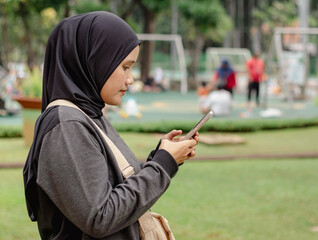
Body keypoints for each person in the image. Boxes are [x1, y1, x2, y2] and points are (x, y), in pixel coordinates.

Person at [23, 11, 199, 239]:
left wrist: (161, 157)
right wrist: (163, 164)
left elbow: (113, 186)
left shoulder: (88, 114)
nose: (131, 79)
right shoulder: (66, 126)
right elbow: (100, 217)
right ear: (95, 61)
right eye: (125, 67)